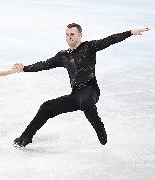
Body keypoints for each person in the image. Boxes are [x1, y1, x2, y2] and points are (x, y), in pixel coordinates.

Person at [13, 23, 150, 148]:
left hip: (91, 91)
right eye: (67, 34)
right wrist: (25, 68)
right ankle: (25, 137)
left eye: (72, 34)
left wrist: (130, 32)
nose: (69, 37)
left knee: (85, 101)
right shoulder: (63, 56)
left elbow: (110, 39)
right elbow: (44, 64)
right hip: (76, 95)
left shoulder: (89, 47)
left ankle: (99, 128)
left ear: (80, 35)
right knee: (46, 107)